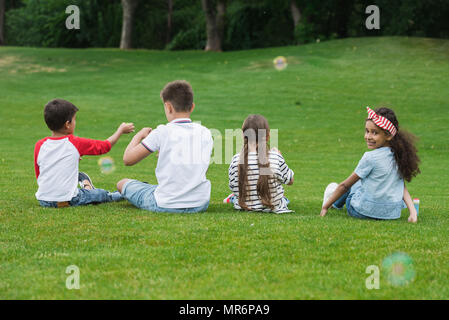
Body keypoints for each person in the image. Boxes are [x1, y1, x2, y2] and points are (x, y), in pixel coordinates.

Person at [117, 80, 213, 213]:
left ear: (168, 107)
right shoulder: (205, 133)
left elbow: (128, 159)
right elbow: (200, 168)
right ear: (192, 107)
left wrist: (138, 136)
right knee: (154, 188)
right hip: (200, 203)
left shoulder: (162, 132)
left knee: (122, 183)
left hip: (166, 203)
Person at [320, 107, 420, 222]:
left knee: (355, 182)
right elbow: (401, 186)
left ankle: (334, 203)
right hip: (390, 215)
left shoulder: (370, 157)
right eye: (367, 131)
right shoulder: (399, 155)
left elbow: (344, 186)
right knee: (362, 180)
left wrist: (325, 207)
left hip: (361, 212)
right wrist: (413, 212)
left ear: (388, 135)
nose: (368, 137)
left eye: (375, 133)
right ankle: (336, 202)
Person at [35, 98, 135, 208]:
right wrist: (120, 131)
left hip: (44, 200)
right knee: (101, 194)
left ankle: (87, 187)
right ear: (67, 124)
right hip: (69, 199)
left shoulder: (40, 145)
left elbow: (40, 173)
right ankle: (125, 192)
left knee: (84, 193)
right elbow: (104, 146)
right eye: (74, 119)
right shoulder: (75, 143)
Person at [224, 114, 294, 213]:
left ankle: (232, 199)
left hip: (245, 206)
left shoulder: (236, 159)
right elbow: (290, 181)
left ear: (243, 135)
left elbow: (232, 186)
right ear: (267, 136)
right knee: (283, 199)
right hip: (273, 205)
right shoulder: (275, 158)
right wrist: (280, 157)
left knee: (235, 197)